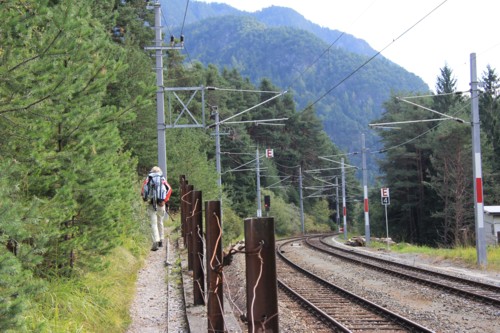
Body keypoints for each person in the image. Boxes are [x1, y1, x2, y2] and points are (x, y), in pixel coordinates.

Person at [141, 166, 172, 251]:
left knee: (153, 223)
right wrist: (164, 200)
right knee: (160, 221)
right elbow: (169, 189)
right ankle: (161, 240)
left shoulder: (149, 178)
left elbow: (143, 190)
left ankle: (155, 240)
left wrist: (145, 198)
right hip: (161, 203)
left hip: (151, 203)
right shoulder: (162, 178)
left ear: (151, 171)